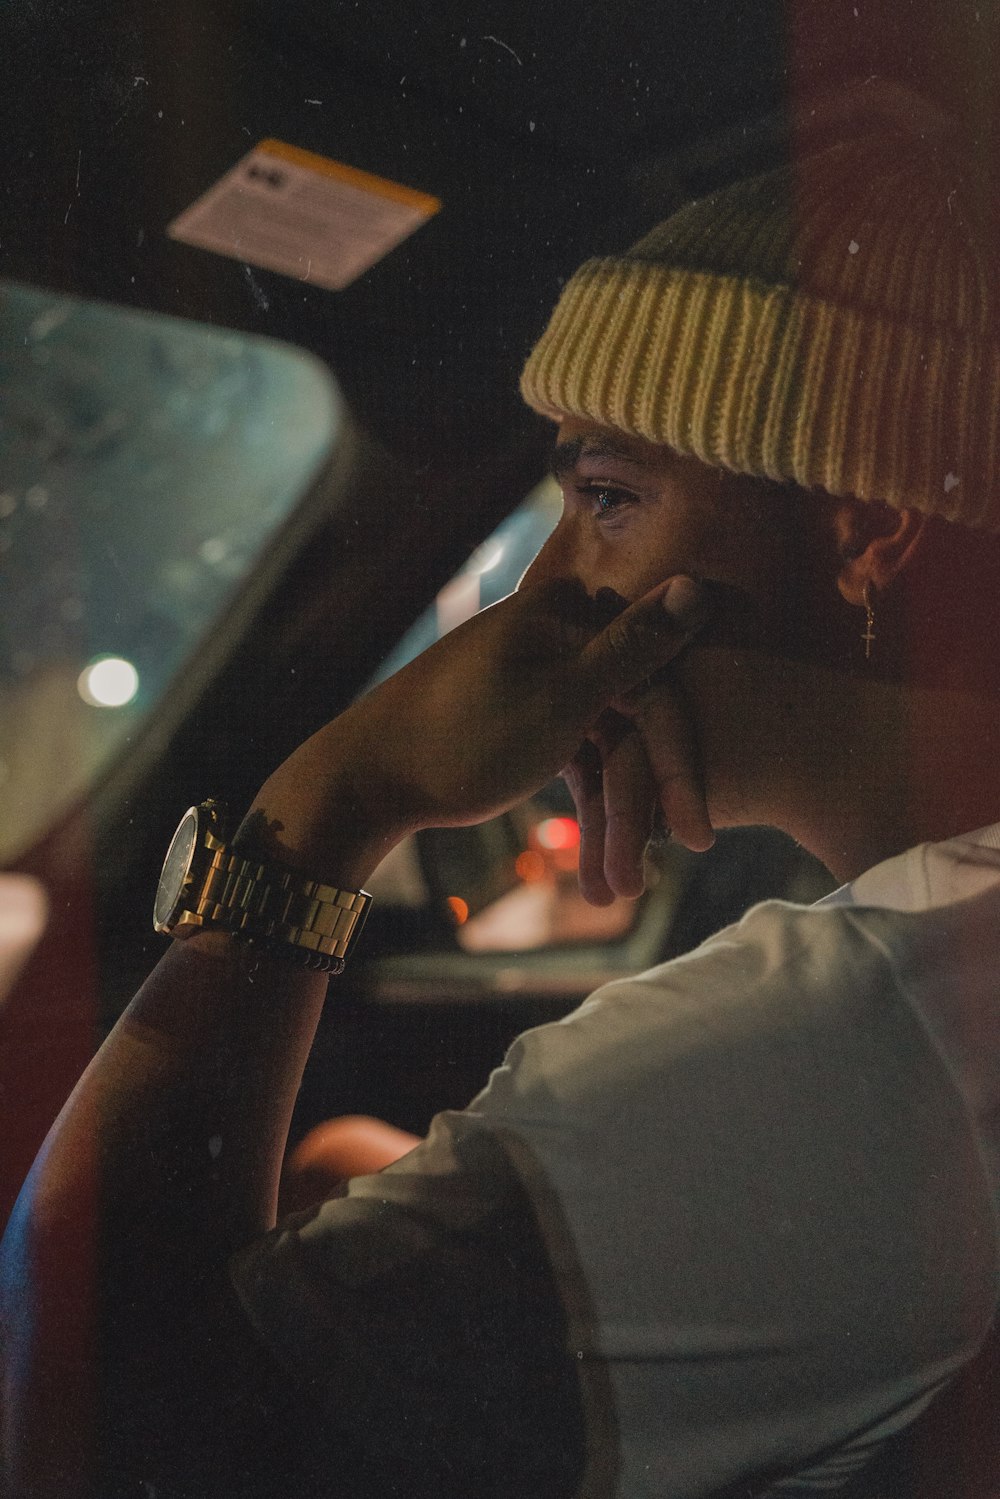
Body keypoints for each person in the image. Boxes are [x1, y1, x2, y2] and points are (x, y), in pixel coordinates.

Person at [3, 129, 1000, 1499]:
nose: (538, 593)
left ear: (866, 533)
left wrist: (339, 798)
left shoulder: (873, 1027)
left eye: (606, 501)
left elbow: (90, 1433)